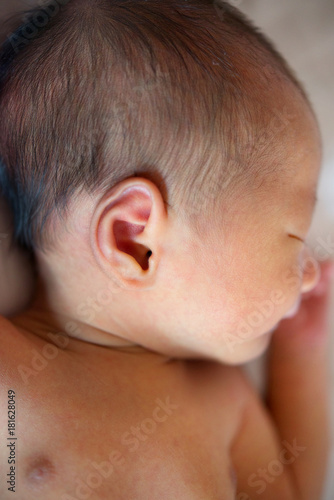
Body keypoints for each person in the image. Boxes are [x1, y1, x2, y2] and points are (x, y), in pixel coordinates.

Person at [0, 0, 332, 498]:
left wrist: (301, 357)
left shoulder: (224, 400)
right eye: (292, 238)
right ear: (135, 242)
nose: (307, 272)